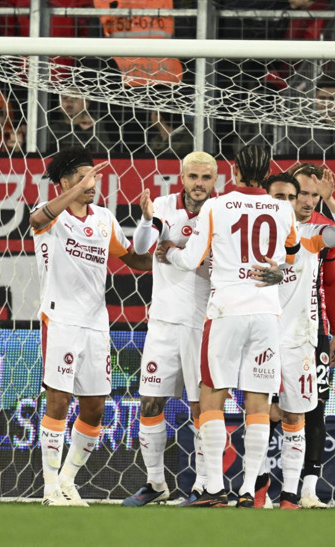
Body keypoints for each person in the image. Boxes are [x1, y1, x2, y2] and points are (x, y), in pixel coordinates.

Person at [157, 144, 297, 508]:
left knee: (212, 395)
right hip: (267, 314)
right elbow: (290, 258)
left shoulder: (217, 206)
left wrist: (169, 250)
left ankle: (215, 487)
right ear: (267, 173)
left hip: (226, 310)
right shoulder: (283, 208)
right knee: (258, 401)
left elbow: (190, 259)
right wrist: (277, 271)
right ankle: (250, 488)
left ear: (232, 171)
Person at [29, 147, 152, 506]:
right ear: (64, 183)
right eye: (83, 177)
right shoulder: (52, 218)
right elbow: (37, 219)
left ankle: (67, 480)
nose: (91, 183)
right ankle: (49, 487)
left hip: (97, 323)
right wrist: (71, 189)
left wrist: (160, 240)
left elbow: (135, 259)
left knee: (95, 407)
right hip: (61, 317)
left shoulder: (104, 219)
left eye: (94, 176)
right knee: (58, 401)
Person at [122, 151, 219, 507]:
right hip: (163, 321)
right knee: (149, 403)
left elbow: (211, 260)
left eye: (206, 178)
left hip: (202, 324)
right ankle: (156, 484)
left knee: (200, 409)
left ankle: (203, 487)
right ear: (182, 177)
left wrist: (178, 249)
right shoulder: (163, 206)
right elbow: (143, 248)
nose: (199, 184)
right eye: (193, 177)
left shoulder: (219, 211)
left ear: (215, 181)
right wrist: (148, 220)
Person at [263, 169, 335, 509]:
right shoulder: (262, 230)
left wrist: (334, 331)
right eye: (299, 192)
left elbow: (333, 276)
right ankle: (258, 487)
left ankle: (303, 490)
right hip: (264, 329)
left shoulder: (315, 235)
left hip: (306, 332)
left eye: (312, 195)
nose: (305, 200)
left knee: (306, 409)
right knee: (264, 410)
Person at [288, 79, 335, 157]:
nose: (327, 104)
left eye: (332, 99)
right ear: (315, 100)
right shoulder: (304, 131)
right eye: (322, 98)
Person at [47, 92, 114, 155]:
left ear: (86, 104)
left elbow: (107, 154)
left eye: (75, 98)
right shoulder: (52, 130)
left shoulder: (96, 125)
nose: (69, 102)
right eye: (65, 98)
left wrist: (90, 130)